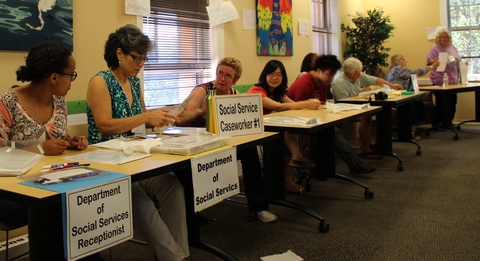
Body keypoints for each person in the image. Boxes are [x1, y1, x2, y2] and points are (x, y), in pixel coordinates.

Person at [86, 25, 189, 261]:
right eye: (137, 58)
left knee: (172, 186)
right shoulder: (100, 81)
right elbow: (105, 126)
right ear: (119, 54)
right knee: (139, 201)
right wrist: (146, 117)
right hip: (108, 163)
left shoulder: (133, 82)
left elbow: (141, 120)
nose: (141, 63)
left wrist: (164, 117)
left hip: (134, 156)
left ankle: (178, 252)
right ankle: (174, 257)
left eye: (144, 58)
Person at [0, 42, 88, 227]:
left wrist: (70, 142)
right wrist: (40, 149)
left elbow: (59, 136)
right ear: (54, 77)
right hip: (2, 192)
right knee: (58, 208)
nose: (72, 81)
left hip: (47, 183)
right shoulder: (6, 104)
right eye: (71, 75)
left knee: (83, 197)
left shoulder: (59, 101)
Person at [178, 57, 278, 223]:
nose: (222, 79)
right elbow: (182, 118)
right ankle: (190, 216)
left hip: (218, 143)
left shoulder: (234, 94)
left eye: (228, 76)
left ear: (235, 80)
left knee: (249, 151)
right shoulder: (203, 91)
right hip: (195, 143)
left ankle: (259, 207)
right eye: (220, 73)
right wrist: (201, 112)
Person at [287, 54, 376, 174]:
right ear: (319, 71)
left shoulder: (323, 83)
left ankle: (350, 165)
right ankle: (354, 164)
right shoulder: (304, 83)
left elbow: (323, 104)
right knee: (332, 131)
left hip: (315, 120)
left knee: (331, 129)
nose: (331, 78)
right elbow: (297, 109)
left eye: (333, 75)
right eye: (329, 74)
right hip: (297, 122)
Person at [248, 59, 321, 194]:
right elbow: (279, 107)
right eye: (271, 74)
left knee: (287, 126)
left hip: (271, 129)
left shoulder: (277, 92)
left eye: (279, 75)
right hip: (252, 130)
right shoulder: (256, 90)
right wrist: (306, 103)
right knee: (285, 128)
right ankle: (296, 157)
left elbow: (292, 105)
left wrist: (311, 106)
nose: (275, 78)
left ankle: (288, 178)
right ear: (265, 75)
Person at [331, 57, 403, 155]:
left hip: (359, 106)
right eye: (357, 73)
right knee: (367, 115)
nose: (360, 75)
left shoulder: (358, 75)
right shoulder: (340, 83)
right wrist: (360, 94)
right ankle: (365, 149)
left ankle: (375, 143)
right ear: (348, 73)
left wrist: (392, 85)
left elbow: (375, 80)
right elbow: (343, 102)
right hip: (346, 109)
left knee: (380, 112)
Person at [388, 54, 439, 140]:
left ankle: (414, 128)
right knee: (411, 106)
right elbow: (414, 72)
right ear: (398, 61)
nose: (406, 61)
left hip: (403, 97)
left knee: (418, 103)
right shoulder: (398, 69)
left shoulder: (398, 70)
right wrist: (431, 67)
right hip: (397, 98)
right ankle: (410, 131)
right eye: (403, 60)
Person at [426, 28, 461, 128]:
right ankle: (439, 122)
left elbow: (457, 59)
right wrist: (436, 60)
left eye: (446, 37)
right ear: (439, 38)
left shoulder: (452, 47)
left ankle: (449, 122)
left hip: (453, 80)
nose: (444, 39)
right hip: (440, 80)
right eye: (442, 37)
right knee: (443, 102)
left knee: (453, 102)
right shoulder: (435, 48)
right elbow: (429, 61)